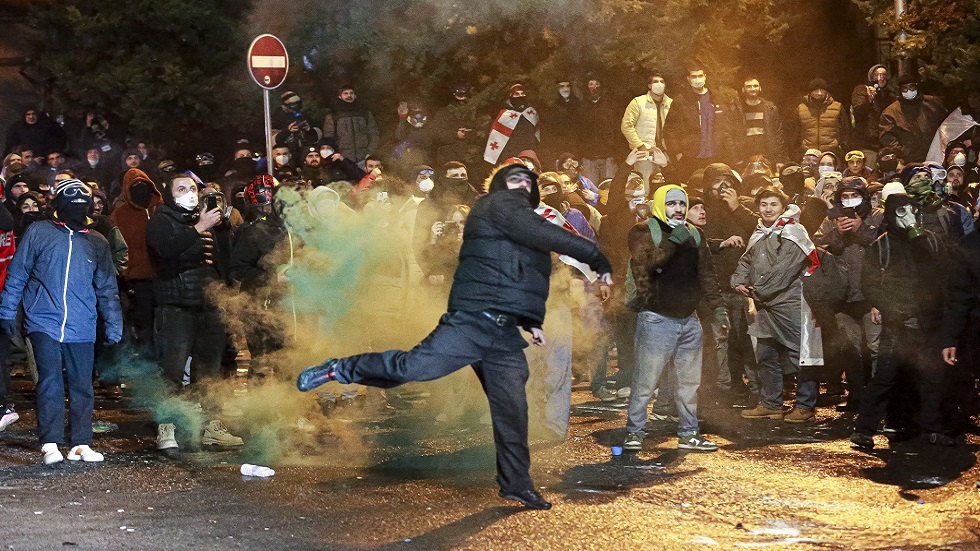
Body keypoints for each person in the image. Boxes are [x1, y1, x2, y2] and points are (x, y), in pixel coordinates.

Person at [296, 163, 613, 510]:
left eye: (527, 181)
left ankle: (516, 484)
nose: (522, 185)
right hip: (471, 322)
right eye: (513, 180)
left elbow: (530, 279)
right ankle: (339, 369)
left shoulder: (523, 238)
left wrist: (530, 320)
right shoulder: (493, 209)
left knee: (512, 409)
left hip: (503, 332)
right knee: (409, 369)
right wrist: (596, 257)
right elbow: (550, 235)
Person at [0, 179, 122, 464]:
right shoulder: (39, 232)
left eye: (84, 200)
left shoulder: (97, 241)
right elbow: (17, 274)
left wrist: (114, 327)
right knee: (51, 381)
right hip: (44, 321)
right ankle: (50, 442)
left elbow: (107, 289)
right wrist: (6, 312)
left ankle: (81, 442)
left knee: (82, 385)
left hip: (82, 324)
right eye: (72, 200)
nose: (79, 206)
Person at [621, 183, 725, 453]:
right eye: (671, 204)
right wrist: (673, 243)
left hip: (689, 319)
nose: (678, 209)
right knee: (646, 380)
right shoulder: (644, 230)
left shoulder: (695, 233)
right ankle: (634, 432)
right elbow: (645, 268)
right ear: (660, 205)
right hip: (657, 318)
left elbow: (706, 273)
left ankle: (689, 433)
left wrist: (717, 306)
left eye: (681, 204)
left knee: (689, 382)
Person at [146, 174, 244, 451]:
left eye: (192, 189)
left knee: (209, 372)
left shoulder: (210, 222)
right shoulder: (161, 220)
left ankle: (212, 426)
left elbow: (224, 263)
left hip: (209, 306)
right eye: (181, 189)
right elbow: (165, 250)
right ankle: (167, 427)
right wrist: (200, 225)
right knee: (172, 370)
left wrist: (222, 227)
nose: (189, 193)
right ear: (169, 195)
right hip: (175, 307)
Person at [851, 188, 953, 448]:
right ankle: (864, 429)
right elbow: (870, 284)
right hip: (898, 323)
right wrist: (889, 308)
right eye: (901, 211)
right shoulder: (881, 245)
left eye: (912, 210)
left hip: (927, 320)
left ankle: (932, 427)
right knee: (885, 375)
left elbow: (941, 273)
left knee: (931, 376)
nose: (908, 216)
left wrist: (917, 237)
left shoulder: (929, 241)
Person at [732, 188, 821, 423]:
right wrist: (739, 281)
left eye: (773, 204)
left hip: (789, 302)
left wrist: (757, 291)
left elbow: (784, 270)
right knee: (765, 353)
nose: (768, 209)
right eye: (763, 204)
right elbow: (747, 259)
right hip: (765, 304)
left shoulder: (793, 232)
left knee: (801, 353)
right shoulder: (760, 231)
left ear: (783, 206)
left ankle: (805, 405)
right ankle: (771, 403)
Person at [111, 168, 162, 348]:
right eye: (135, 186)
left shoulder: (160, 209)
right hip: (136, 279)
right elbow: (119, 247)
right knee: (143, 320)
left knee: (162, 320)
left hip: (162, 275)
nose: (140, 189)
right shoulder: (120, 214)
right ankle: (146, 356)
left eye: (143, 185)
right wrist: (125, 277)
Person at [879, 74, 948, 163]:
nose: (909, 91)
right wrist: (903, 151)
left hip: (936, 156)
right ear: (900, 90)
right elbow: (886, 137)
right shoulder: (891, 112)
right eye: (905, 88)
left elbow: (946, 125)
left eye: (912, 87)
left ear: (917, 86)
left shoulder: (932, 104)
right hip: (910, 160)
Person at [622, 72, 672, 183]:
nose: (659, 84)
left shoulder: (670, 103)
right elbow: (626, 126)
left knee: (668, 184)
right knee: (644, 186)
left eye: (661, 81)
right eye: (655, 81)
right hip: (644, 153)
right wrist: (641, 146)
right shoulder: (638, 102)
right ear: (649, 85)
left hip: (666, 153)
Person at [849, 64, 897, 165]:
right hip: (867, 144)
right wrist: (869, 100)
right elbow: (858, 112)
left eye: (884, 75)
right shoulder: (862, 90)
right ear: (871, 77)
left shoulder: (890, 95)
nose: (881, 78)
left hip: (886, 145)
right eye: (877, 75)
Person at [483, 82, 541, 166]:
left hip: (528, 153)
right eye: (516, 94)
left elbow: (537, 133)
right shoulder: (504, 114)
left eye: (522, 93)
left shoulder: (532, 112)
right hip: (509, 153)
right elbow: (496, 136)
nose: (520, 96)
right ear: (510, 96)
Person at [322, 85, 380, 164]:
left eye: (351, 93)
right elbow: (329, 139)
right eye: (345, 93)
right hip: (343, 160)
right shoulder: (333, 116)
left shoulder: (365, 113)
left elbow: (374, 133)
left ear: (355, 96)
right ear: (340, 96)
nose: (349, 95)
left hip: (364, 159)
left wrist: (370, 152)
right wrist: (336, 155)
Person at [578, 74, 620, 183]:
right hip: (588, 158)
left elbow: (618, 130)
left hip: (609, 157)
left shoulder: (611, 106)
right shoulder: (580, 107)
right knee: (590, 191)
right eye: (591, 84)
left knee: (609, 189)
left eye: (597, 84)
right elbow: (577, 133)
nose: (594, 87)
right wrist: (579, 155)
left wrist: (617, 152)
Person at [737, 77, 787, 165]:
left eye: (755, 86)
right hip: (745, 158)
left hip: (767, 157)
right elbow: (730, 135)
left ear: (760, 88)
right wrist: (737, 159)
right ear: (743, 89)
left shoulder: (770, 109)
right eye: (749, 86)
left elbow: (778, 135)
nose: (752, 89)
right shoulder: (737, 110)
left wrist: (779, 159)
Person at [795, 78, 845, 157]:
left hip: (831, 153)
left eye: (822, 90)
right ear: (810, 92)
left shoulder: (837, 107)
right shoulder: (801, 109)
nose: (819, 93)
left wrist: (843, 149)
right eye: (816, 90)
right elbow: (795, 132)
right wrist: (796, 152)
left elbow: (845, 131)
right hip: (807, 153)